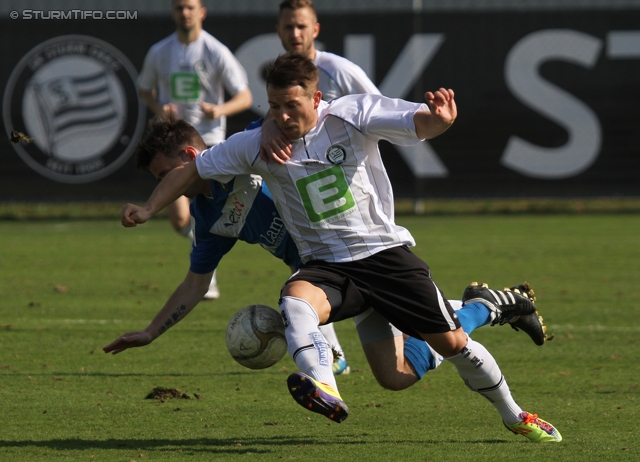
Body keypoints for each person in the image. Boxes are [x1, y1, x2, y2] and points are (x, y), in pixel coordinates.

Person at [115, 53, 561, 442]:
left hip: (382, 255)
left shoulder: (349, 115)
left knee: (423, 360)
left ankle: (509, 396)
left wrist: (438, 121)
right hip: (327, 267)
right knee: (295, 299)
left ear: (316, 98)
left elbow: (411, 122)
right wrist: (150, 211)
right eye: (274, 108)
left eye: (292, 106)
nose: (284, 116)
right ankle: (325, 387)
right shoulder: (243, 160)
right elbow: (194, 231)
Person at [104, 116, 545, 385]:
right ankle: (483, 308)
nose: (166, 188)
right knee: (394, 377)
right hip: (329, 284)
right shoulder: (209, 216)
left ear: (189, 154)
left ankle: (478, 312)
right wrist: (150, 332)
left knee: (440, 340)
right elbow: (196, 283)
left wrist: (273, 124)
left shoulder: (249, 146)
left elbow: (301, 115)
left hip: (368, 254)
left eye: (166, 174)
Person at [137, 0, 253, 300]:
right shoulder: (160, 51)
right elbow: (144, 88)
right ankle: (204, 266)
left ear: (202, 12)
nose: (184, 13)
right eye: (179, 7)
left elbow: (244, 95)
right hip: (174, 147)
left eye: (190, 7)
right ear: (173, 12)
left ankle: (206, 277)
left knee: (205, 211)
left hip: (208, 143)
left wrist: (220, 109)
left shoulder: (215, 51)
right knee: (179, 217)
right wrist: (158, 107)